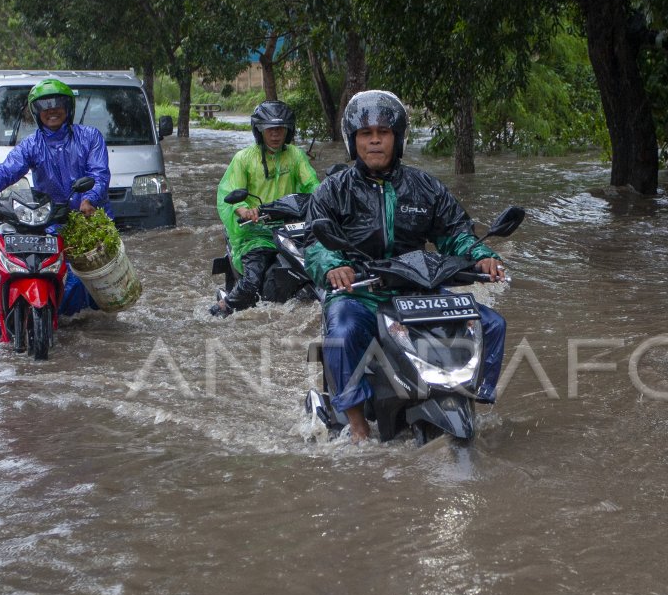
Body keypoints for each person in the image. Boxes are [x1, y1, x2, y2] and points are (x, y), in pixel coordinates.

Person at [305, 90, 507, 442]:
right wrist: (335, 266)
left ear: (397, 139)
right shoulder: (334, 190)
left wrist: (482, 256)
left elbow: (455, 231)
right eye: (366, 135)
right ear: (353, 141)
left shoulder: (424, 186)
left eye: (383, 133)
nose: (375, 141)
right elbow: (316, 242)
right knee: (342, 332)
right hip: (361, 293)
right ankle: (356, 425)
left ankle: (473, 394)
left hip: (417, 290)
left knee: (490, 322)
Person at [0, 78, 111, 317]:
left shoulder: (90, 137)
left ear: (68, 108)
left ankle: (80, 322)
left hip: (88, 220)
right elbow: (6, 171)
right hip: (49, 221)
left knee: (81, 285)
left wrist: (90, 199)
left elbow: (100, 174)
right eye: (45, 106)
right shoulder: (31, 144)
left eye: (57, 105)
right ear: (37, 112)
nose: (52, 110)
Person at [211, 99, 320, 317]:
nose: (276, 134)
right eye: (270, 129)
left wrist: (326, 198)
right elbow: (229, 190)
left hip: (291, 228)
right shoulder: (244, 159)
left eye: (280, 129)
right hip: (255, 232)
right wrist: (243, 210)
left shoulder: (296, 155)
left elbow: (313, 185)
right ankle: (222, 308)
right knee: (252, 281)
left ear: (287, 130)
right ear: (260, 130)